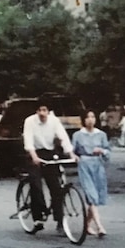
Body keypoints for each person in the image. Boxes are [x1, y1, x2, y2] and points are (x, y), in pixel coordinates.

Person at [22, 98, 77, 233]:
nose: (42, 113)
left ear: (49, 111)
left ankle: (60, 221)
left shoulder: (54, 121)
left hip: (49, 153)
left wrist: (71, 154)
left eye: (45, 110)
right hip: (34, 153)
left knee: (56, 188)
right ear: (36, 111)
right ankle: (38, 218)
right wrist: (34, 156)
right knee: (36, 185)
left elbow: (63, 137)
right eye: (40, 110)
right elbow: (28, 140)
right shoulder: (30, 121)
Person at [72, 110, 111, 237]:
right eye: (87, 117)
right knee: (91, 195)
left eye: (93, 117)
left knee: (96, 197)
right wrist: (75, 157)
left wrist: (102, 151)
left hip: (98, 165)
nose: (90, 119)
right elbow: (72, 150)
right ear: (83, 120)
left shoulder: (101, 134)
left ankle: (87, 225)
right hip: (84, 164)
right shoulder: (78, 135)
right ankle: (99, 226)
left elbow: (108, 152)